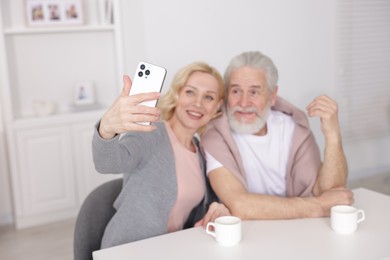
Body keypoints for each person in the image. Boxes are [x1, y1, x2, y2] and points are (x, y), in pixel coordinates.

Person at [92, 61, 230, 249]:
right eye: (190, 92)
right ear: (177, 94)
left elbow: (204, 205)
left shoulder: (202, 152)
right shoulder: (150, 132)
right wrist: (106, 129)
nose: (198, 103)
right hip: (127, 250)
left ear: (217, 106)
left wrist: (217, 208)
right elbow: (107, 163)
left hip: (170, 250)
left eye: (209, 97)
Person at [201, 51, 354, 220]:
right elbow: (240, 205)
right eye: (236, 91)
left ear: (272, 96)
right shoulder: (215, 135)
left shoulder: (294, 128)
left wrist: (333, 137)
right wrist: (317, 206)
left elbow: (331, 194)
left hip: (298, 231)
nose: (244, 103)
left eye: (254, 92)